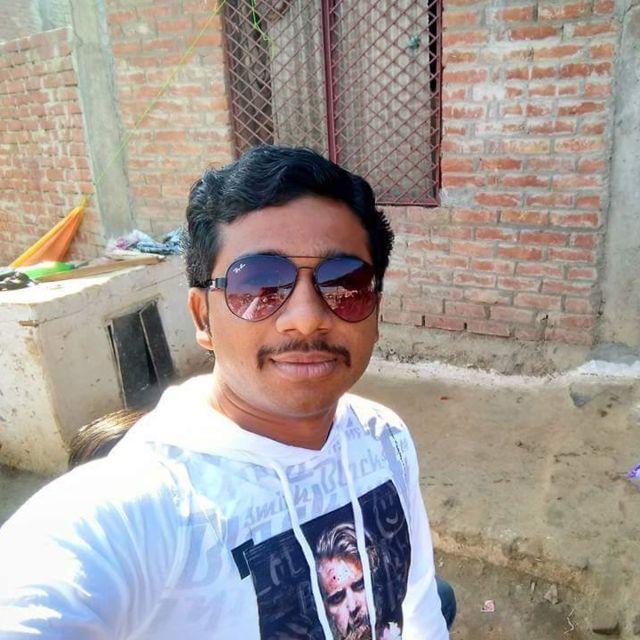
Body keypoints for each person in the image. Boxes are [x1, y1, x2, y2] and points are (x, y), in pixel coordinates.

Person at [0, 145, 452, 639]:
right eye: (258, 284)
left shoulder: (385, 435)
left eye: (345, 283)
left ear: (376, 312)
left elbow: (419, 607)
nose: (306, 318)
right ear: (202, 318)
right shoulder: (140, 503)